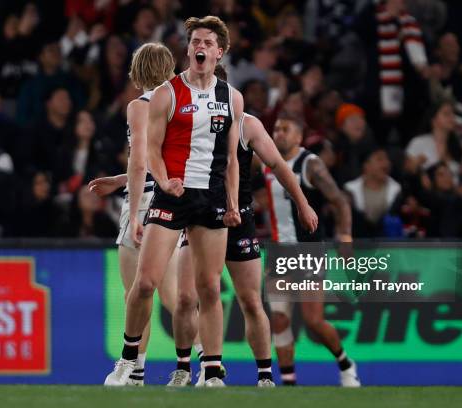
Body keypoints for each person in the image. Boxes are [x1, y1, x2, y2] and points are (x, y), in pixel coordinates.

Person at [104, 15, 244, 387]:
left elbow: (231, 158)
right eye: (194, 41)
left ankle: (205, 369)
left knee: (202, 289)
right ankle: (131, 361)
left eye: (207, 42)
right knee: (149, 285)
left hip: (206, 198)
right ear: (187, 49)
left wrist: (231, 202)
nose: (199, 47)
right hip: (168, 195)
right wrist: (164, 181)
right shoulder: (168, 92)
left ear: (220, 51)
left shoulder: (230, 97)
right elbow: (151, 151)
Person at [168, 74, 318, 386]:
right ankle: (187, 368)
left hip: (238, 220)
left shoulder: (247, 124)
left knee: (250, 300)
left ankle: (264, 375)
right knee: (185, 297)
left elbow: (277, 165)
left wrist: (303, 203)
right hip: (199, 215)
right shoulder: (186, 120)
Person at [89, 43, 179, 386]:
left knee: (136, 294)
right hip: (179, 201)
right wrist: (117, 179)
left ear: (138, 70)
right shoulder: (179, 107)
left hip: (145, 203)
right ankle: (207, 364)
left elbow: (141, 161)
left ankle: (131, 368)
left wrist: (138, 212)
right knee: (174, 296)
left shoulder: (140, 106)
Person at [262, 114, 360, 387]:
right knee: (279, 319)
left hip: (308, 250)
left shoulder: (310, 164)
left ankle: (345, 363)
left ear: (298, 137)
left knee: (313, 321)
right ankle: (289, 386)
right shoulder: (265, 160)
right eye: (276, 128)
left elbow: (340, 201)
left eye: (285, 129)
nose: (278, 133)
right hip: (279, 251)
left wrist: (345, 236)